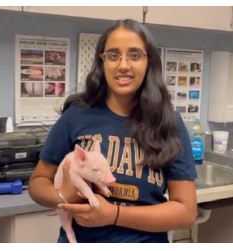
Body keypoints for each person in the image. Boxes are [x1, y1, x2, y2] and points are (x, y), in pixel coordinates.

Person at [26, 19, 198, 243]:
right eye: (113, 55)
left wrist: (114, 215)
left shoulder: (167, 122)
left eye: (134, 55)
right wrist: (64, 195)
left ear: (149, 62)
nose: (123, 65)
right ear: (102, 62)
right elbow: (38, 182)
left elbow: (186, 212)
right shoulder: (77, 115)